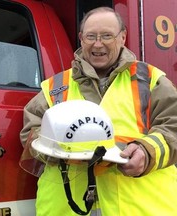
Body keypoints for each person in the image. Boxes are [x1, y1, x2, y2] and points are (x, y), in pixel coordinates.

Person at [19, 6, 177, 216]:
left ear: (122, 38)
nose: (98, 43)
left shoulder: (149, 80)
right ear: (81, 39)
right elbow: (31, 134)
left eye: (107, 36)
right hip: (66, 208)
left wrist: (146, 152)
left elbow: (173, 126)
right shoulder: (55, 87)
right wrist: (58, 151)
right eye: (91, 36)